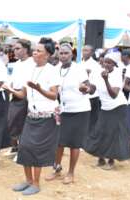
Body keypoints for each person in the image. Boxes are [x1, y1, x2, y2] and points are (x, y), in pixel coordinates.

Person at [3, 37, 60, 195]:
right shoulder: (30, 69)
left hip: (46, 116)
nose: (34, 53)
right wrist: (11, 90)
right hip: (31, 114)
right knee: (25, 147)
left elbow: (54, 95)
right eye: (34, 50)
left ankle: (36, 183)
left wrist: (39, 89)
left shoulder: (52, 71)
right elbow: (23, 94)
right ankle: (28, 180)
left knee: (37, 149)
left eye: (38, 51)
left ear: (47, 55)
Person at [45, 43, 95, 184]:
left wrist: (85, 88)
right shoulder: (56, 69)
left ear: (71, 54)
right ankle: (56, 169)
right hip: (63, 110)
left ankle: (71, 173)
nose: (63, 56)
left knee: (74, 143)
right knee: (59, 142)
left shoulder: (79, 69)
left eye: (66, 53)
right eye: (61, 53)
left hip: (80, 110)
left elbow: (90, 87)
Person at [85, 50, 130, 170]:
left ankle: (111, 161)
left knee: (113, 133)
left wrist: (106, 80)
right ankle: (101, 159)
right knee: (100, 131)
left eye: (110, 63)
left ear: (114, 65)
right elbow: (93, 89)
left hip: (118, 107)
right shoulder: (97, 73)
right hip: (105, 107)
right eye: (105, 62)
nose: (106, 64)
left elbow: (114, 95)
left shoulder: (116, 75)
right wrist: (86, 89)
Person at [6, 39, 34, 158]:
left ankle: (22, 152)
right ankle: (15, 148)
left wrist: (13, 91)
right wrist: (9, 88)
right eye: (14, 48)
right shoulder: (17, 63)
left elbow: (27, 85)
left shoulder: (32, 63)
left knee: (23, 125)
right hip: (15, 95)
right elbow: (12, 80)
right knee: (12, 123)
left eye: (18, 48)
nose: (14, 51)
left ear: (26, 50)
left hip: (26, 97)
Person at [81, 45, 103, 165]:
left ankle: (89, 143)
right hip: (81, 96)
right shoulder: (80, 64)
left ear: (92, 52)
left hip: (92, 96)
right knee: (84, 120)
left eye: (87, 50)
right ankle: (83, 142)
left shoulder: (95, 65)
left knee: (92, 121)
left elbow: (95, 82)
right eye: (83, 50)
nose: (84, 52)